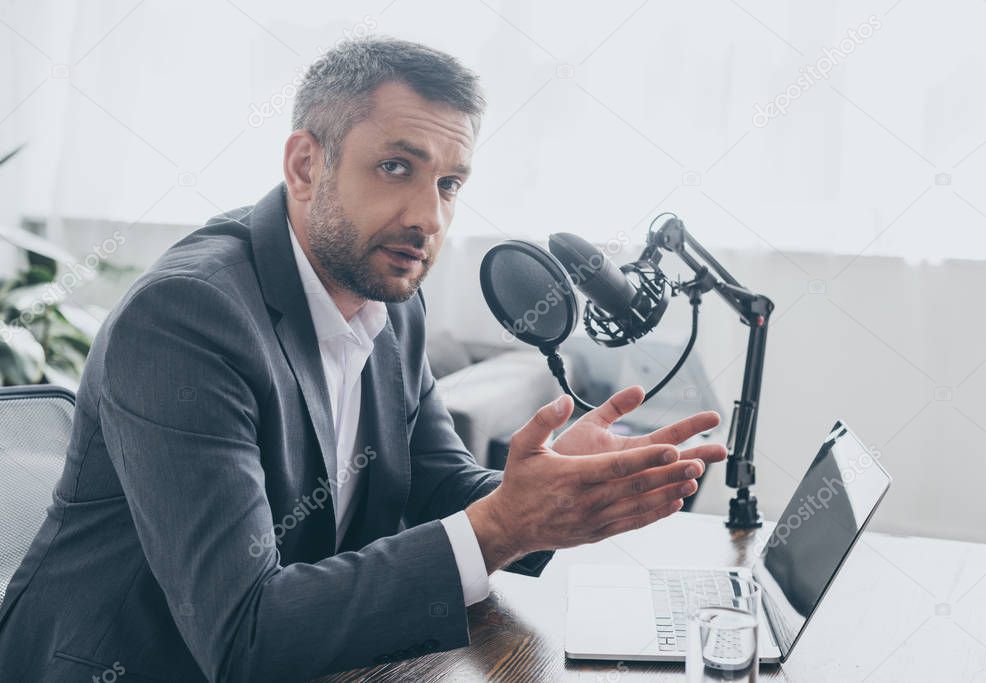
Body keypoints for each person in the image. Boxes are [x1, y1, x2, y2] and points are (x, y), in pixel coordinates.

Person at [0, 37, 725, 682]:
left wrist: (549, 485)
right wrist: (504, 523)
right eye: (394, 167)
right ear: (305, 163)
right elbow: (243, 631)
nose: (427, 217)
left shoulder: (390, 296)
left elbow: (437, 482)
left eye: (448, 184)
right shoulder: (187, 318)